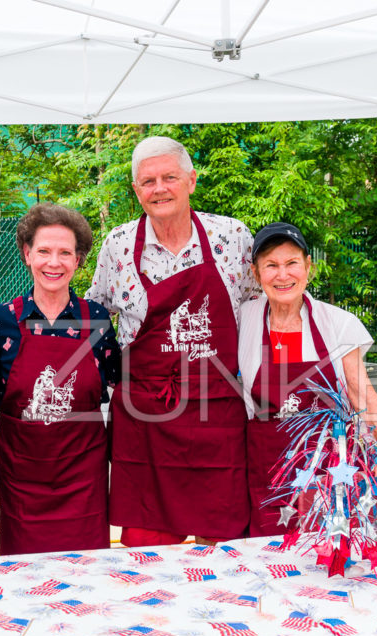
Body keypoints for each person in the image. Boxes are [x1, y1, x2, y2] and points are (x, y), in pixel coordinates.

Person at [86, 136, 258, 547]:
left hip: (216, 413)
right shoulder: (118, 244)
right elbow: (95, 319)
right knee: (148, 550)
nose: (159, 188)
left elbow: (257, 312)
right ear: (136, 191)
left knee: (224, 547)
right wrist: (114, 381)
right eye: (148, 181)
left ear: (191, 181)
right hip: (146, 419)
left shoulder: (233, 236)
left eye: (169, 177)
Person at [239, 222, 377, 536]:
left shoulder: (338, 323)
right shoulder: (243, 319)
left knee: (328, 555)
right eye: (271, 266)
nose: (282, 275)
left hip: (330, 469)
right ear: (255, 273)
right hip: (265, 471)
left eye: (292, 263)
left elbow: (362, 394)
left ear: (308, 267)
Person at [0, 203, 120, 555]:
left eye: (64, 253)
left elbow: (117, 379)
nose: (53, 263)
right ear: (27, 254)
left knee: (87, 566)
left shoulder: (97, 319)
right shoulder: (1, 321)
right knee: (24, 570)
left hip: (82, 472)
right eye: (43, 251)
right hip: (22, 472)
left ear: (78, 260)